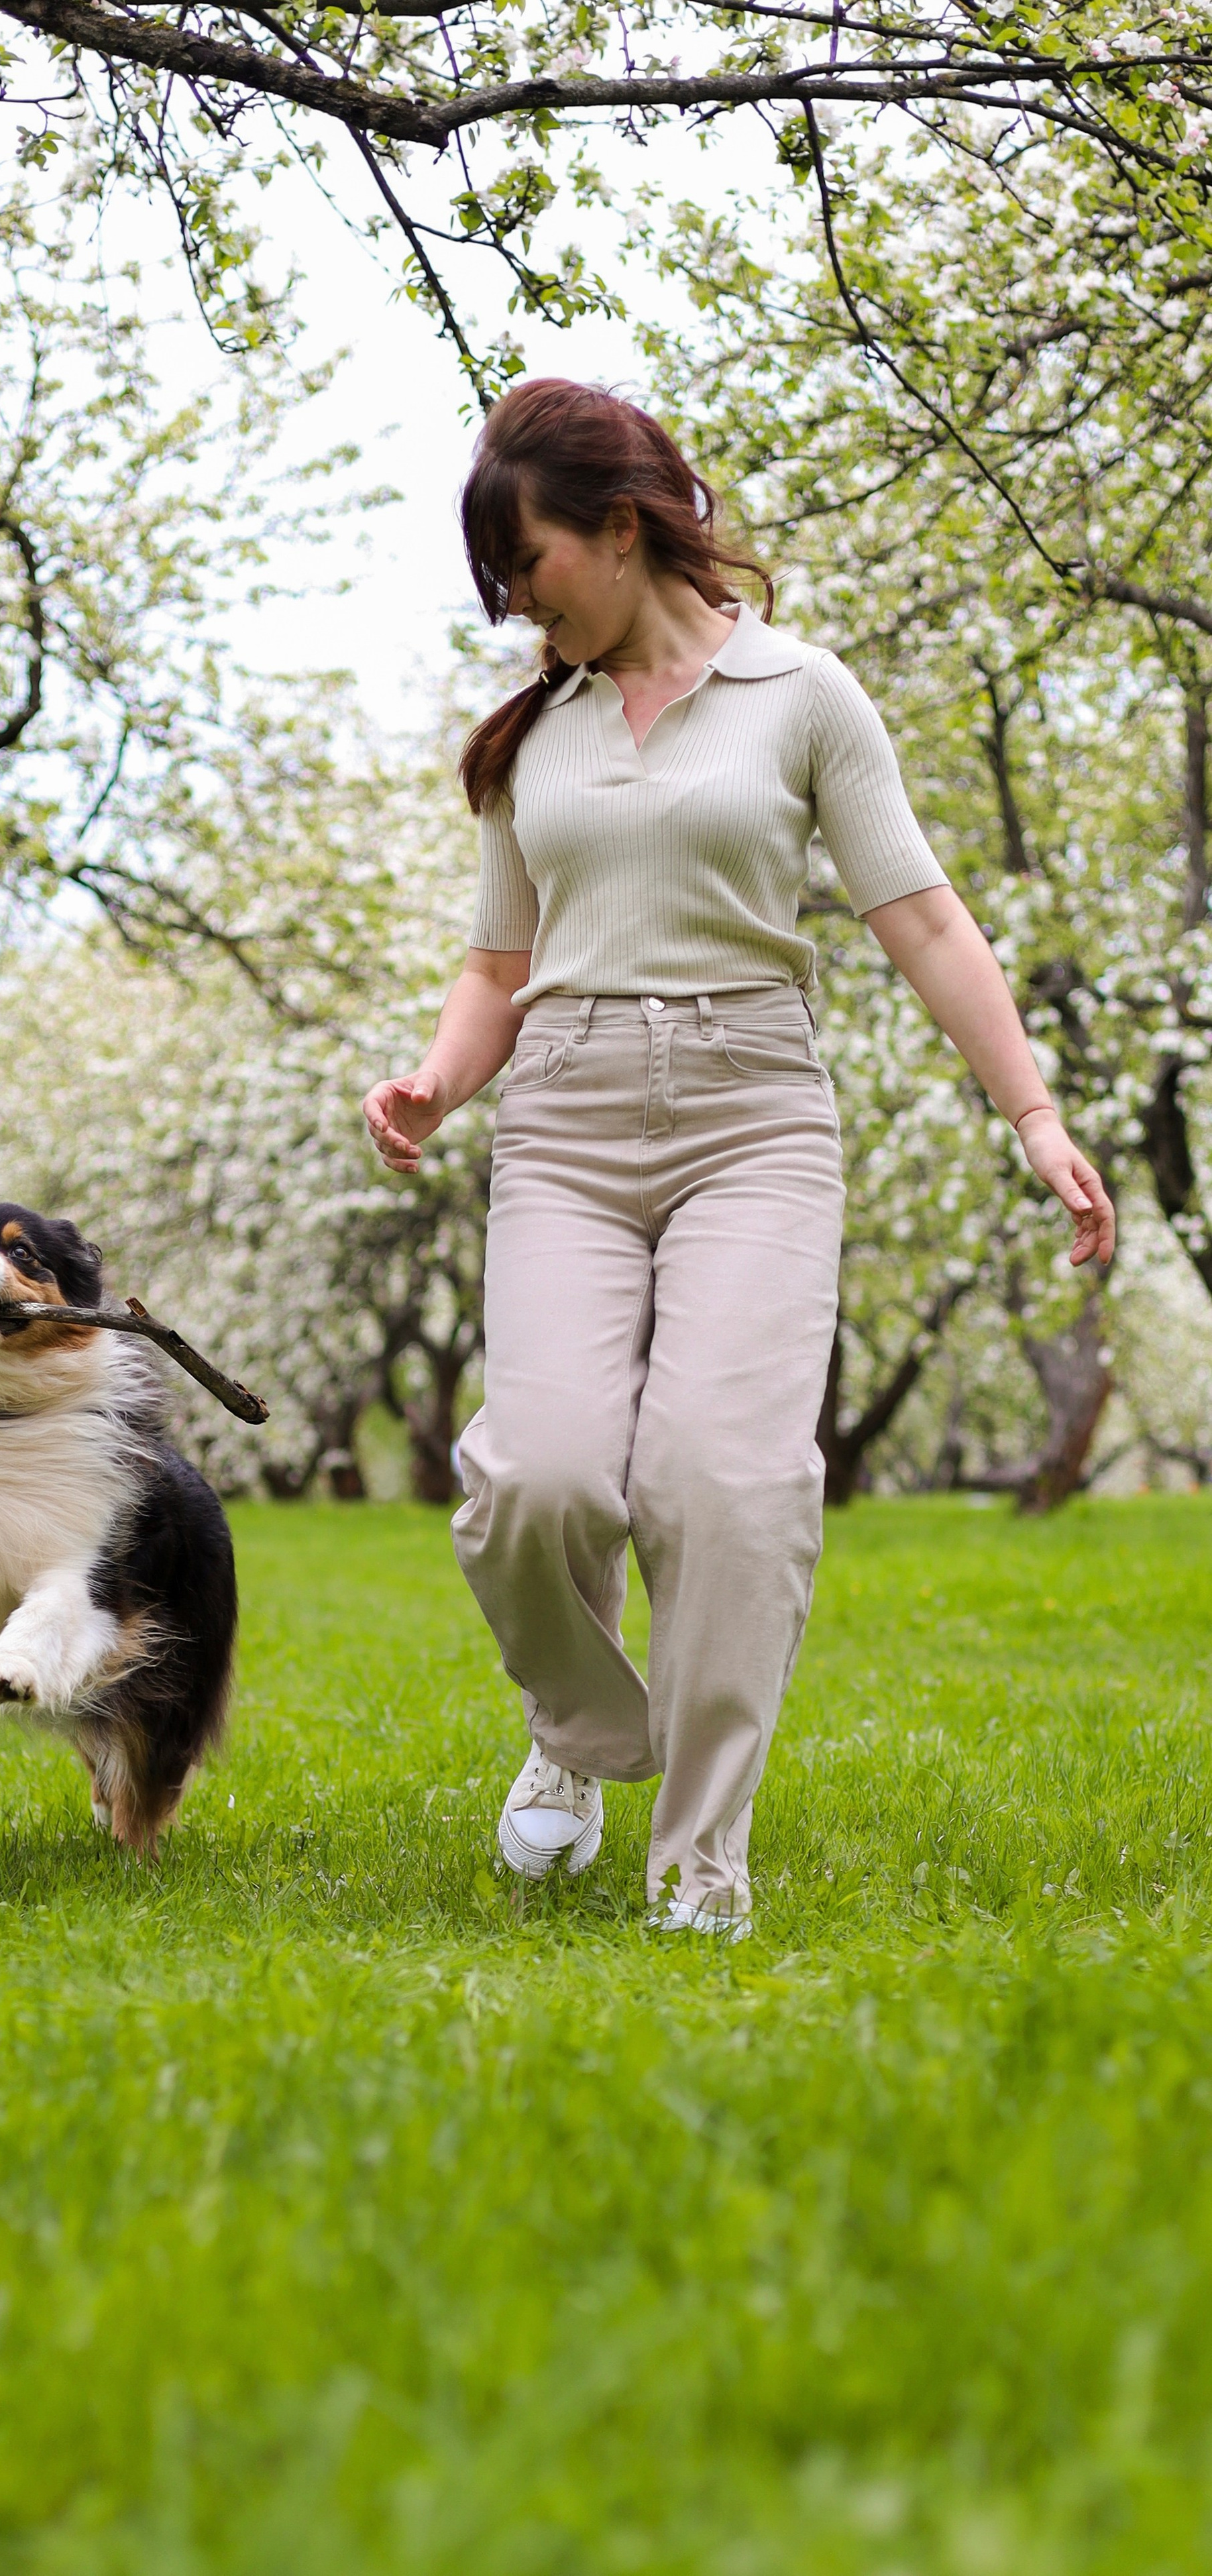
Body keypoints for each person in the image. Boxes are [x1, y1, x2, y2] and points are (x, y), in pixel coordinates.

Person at [361, 380, 1114, 1939]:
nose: (513, 601)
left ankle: (700, 1862)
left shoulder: (801, 695)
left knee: (723, 1482)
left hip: (751, 1116)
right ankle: (581, 1736)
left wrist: (1032, 1116)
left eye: (527, 564)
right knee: (534, 1475)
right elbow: (498, 965)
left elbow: (919, 919)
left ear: (620, 530)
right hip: (564, 1122)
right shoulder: (530, 742)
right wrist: (438, 1080)